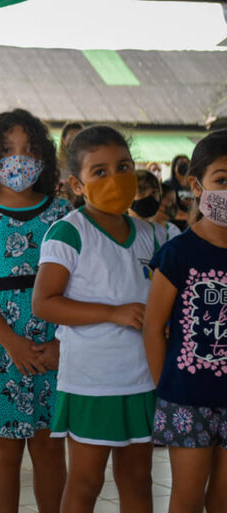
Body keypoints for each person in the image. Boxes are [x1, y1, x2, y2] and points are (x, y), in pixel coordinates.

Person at [32, 125, 167, 513]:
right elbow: (45, 303)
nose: (115, 179)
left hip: (143, 378)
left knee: (139, 478)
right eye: (100, 172)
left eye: (123, 167)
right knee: (87, 480)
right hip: (92, 381)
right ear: (76, 184)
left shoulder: (152, 236)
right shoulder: (68, 232)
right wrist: (113, 313)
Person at [0, 109, 70, 513]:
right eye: (7, 150)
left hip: (54, 343)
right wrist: (13, 343)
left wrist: (60, 343)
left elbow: (79, 283)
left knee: (51, 450)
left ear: (44, 158)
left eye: (29, 149)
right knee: (3, 452)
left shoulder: (62, 214)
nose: (18, 159)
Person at [144, 129, 227, 513]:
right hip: (186, 401)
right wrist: (169, 390)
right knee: (187, 498)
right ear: (196, 185)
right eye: (223, 180)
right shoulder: (177, 253)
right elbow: (153, 327)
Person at [129, 170, 181, 241]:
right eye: (141, 191)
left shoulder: (161, 234)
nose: (149, 196)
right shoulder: (117, 232)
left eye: (155, 192)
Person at [164, 154, 193, 230]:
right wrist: (192, 218)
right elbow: (169, 210)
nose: (184, 165)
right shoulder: (167, 186)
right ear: (174, 167)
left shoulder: (194, 185)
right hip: (174, 228)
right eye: (181, 163)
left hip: (192, 226)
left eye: (187, 163)